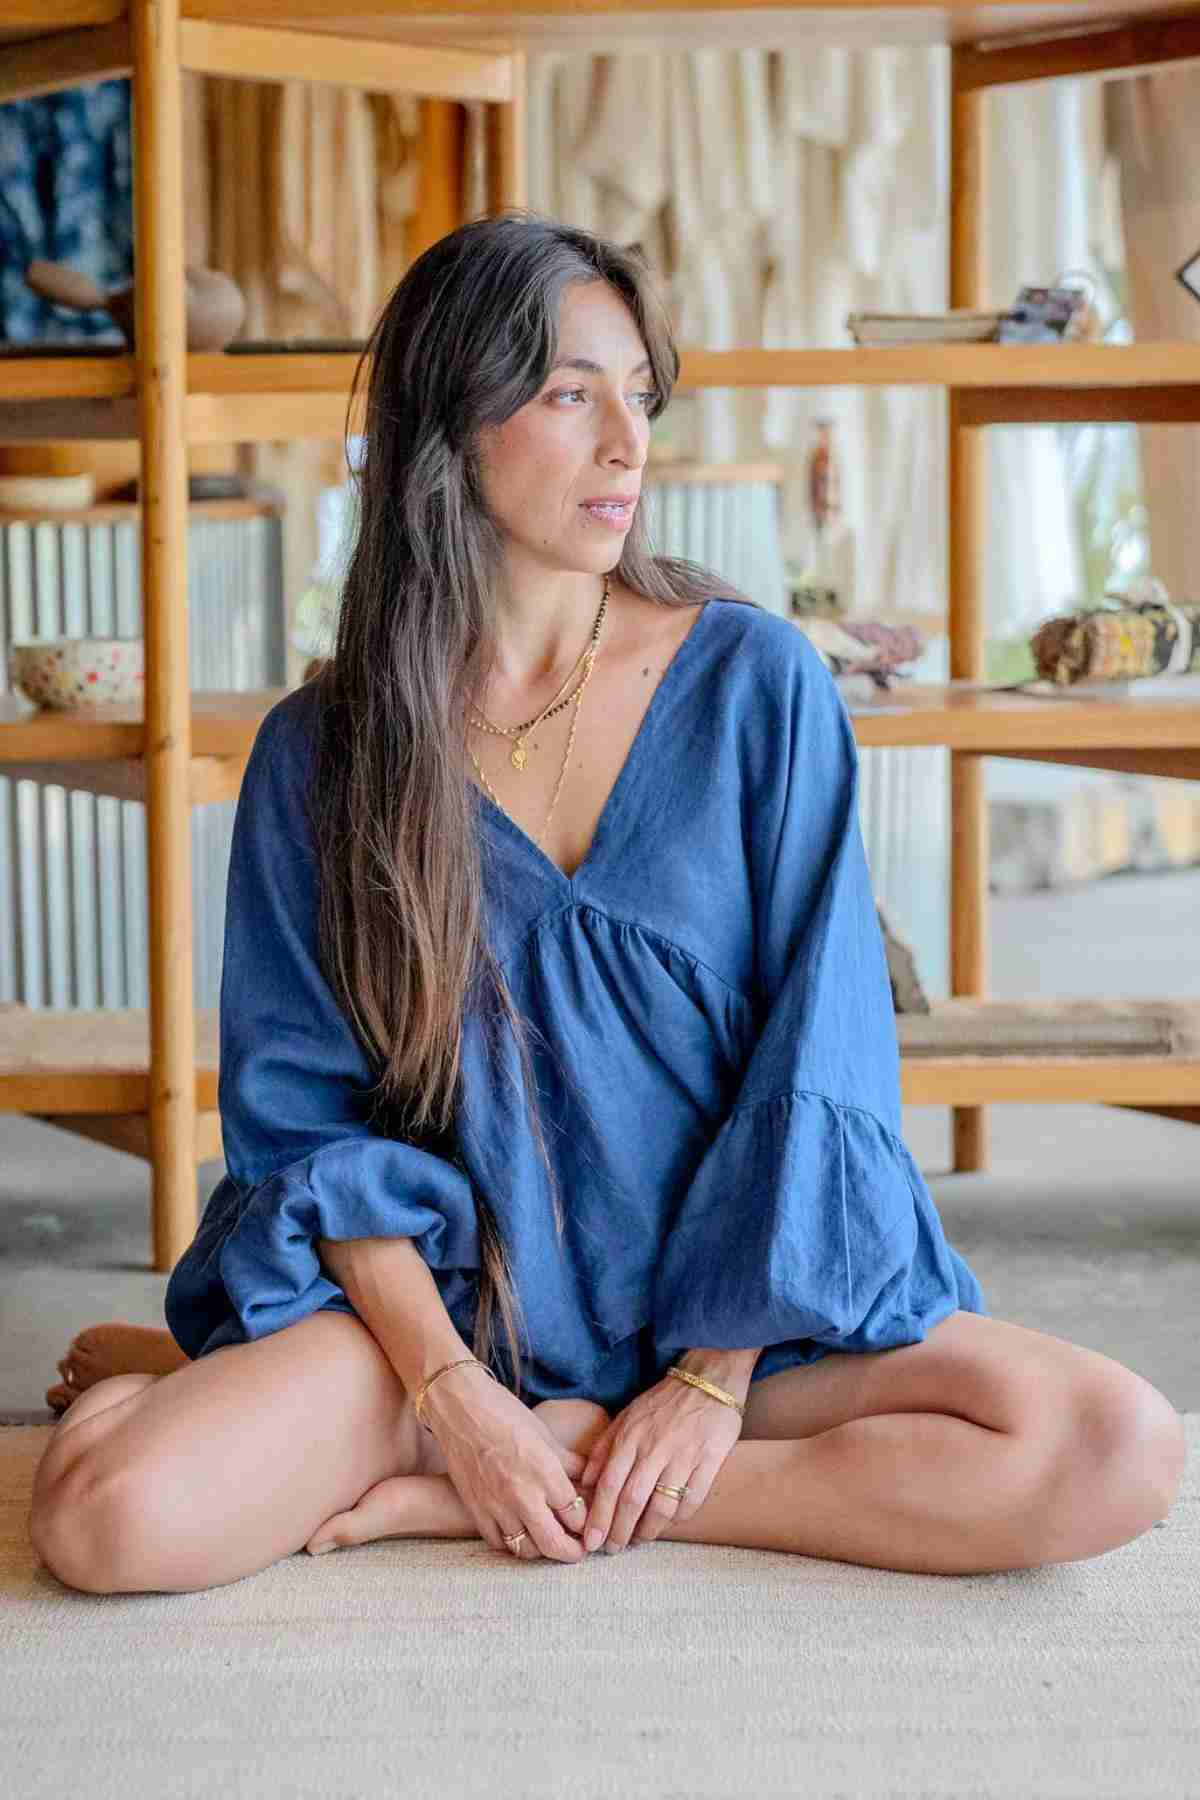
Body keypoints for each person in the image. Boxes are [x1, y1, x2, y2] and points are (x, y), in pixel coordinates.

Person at [32, 212, 1185, 1594]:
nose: (627, 446)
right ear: (450, 420)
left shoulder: (755, 682)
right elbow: (306, 1124)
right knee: (109, 1521)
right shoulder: (322, 751)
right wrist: (456, 1400)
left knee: (1113, 1446)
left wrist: (705, 1382)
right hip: (455, 1322)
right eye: (571, 394)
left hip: (736, 1310)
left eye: (637, 395)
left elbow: (823, 1050)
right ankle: (342, 1413)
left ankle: (505, 1471)